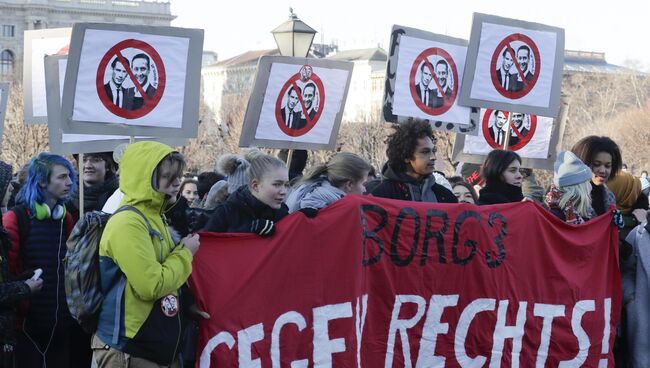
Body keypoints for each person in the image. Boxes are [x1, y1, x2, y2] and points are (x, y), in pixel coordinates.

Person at [92, 141, 200, 367]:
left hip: (151, 347)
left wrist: (188, 304)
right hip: (129, 348)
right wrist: (185, 254)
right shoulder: (127, 222)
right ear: (144, 178)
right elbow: (151, 284)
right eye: (168, 177)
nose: (177, 182)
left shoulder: (155, 216)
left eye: (178, 176)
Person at [3, 153, 90, 367]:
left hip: (60, 323)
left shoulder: (65, 217)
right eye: (61, 177)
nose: (69, 182)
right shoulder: (16, 218)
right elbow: (9, 273)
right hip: (27, 327)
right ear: (42, 181)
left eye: (69, 176)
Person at [0, 159, 43, 367]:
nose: (11, 186)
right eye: (6, 181)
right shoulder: (12, 219)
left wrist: (19, 279)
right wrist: (25, 288)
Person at [203, 149, 290, 235]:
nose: (284, 191)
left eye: (286, 185)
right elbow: (208, 244)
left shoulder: (283, 214)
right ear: (255, 185)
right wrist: (247, 231)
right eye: (277, 184)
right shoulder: (226, 213)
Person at [368, 120, 457, 203]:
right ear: (406, 156)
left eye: (433, 151)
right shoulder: (381, 196)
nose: (433, 157)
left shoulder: (445, 196)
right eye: (425, 152)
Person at [286, 152, 372, 213]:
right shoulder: (319, 205)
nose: (364, 189)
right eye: (363, 184)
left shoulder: (319, 193)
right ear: (349, 184)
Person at [571, 136, 620, 216]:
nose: (602, 171)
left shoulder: (610, 197)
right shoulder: (566, 195)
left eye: (607, 166)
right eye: (596, 164)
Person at [544, 151, 594, 224]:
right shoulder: (554, 218)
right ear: (580, 188)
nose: (591, 187)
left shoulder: (585, 213)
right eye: (588, 182)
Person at [70, 152, 119, 218]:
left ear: (107, 166)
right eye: (83, 160)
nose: (88, 166)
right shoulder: (66, 197)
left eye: (95, 160)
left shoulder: (118, 197)